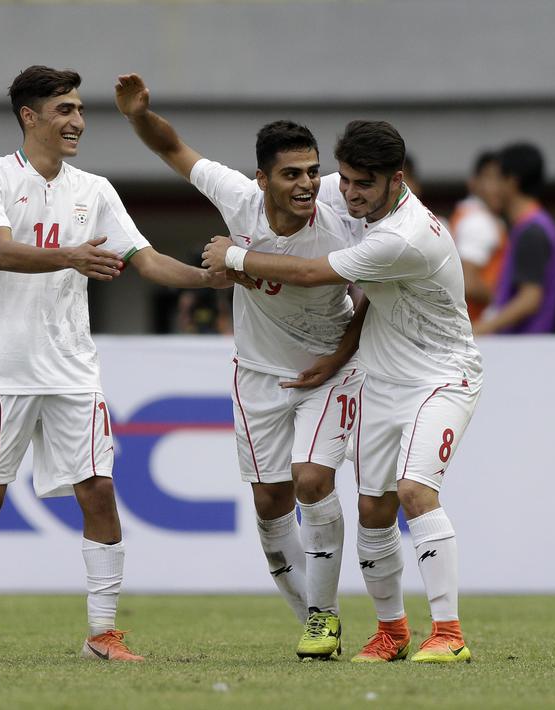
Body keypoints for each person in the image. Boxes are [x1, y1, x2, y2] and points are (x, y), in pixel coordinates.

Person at [0, 65, 232, 662]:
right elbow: (3, 253)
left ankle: (102, 633)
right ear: (29, 117)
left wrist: (218, 278)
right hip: (2, 368)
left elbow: (144, 261)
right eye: (64, 110)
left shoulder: (94, 190)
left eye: (80, 110)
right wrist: (72, 256)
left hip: (72, 369)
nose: (77, 121)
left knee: (99, 491)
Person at [202, 120, 483, 664]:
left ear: (396, 181)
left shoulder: (404, 236)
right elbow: (368, 303)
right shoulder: (358, 207)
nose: (348, 193)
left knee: (414, 492)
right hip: (380, 377)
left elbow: (310, 271)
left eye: (363, 184)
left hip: (442, 376)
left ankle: (448, 632)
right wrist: (339, 356)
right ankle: (392, 631)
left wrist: (233, 258)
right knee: (373, 508)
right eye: (345, 179)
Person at [115, 73, 367, 660]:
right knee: (269, 504)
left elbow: (372, 294)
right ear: (262, 179)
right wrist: (137, 116)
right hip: (258, 375)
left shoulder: (341, 207)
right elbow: (173, 149)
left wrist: (337, 356)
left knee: (312, 480)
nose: (307, 184)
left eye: (311, 171)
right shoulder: (237, 197)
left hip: (332, 372)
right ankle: (315, 620)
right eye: (291, 174)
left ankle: (328, 618)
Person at [474, 142, 555, 334]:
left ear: (511, 182)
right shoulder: (534, 226)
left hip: (525, 352)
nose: (491, 188)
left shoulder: (531, 230)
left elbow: (530, 298)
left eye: (496, 179)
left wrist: (481, 329)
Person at [449, 150, 508, 324]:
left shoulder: (467, 215)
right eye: (491, 178)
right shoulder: (479, 221)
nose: (498, 187)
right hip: (476, 326)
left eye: (502, 179)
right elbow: (468, 282)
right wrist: (502, 302)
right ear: (473, 183)